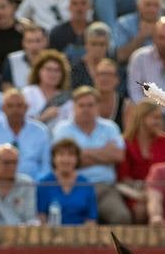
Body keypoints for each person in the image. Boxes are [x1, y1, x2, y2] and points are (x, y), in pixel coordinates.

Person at [50, 85, 129, 224]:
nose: (86, 109)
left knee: (122, 217)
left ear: (98, 106)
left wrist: (80, 153)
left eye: (90, 105)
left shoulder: (110, 127)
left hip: (104, 187)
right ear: (73, 107)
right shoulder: (62, 129)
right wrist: (103, 153)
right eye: (81, 105)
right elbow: (63, 163)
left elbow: (118, 156)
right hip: (73, 187)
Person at [0, 88, 51, 178]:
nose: (15, 110)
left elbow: (47, 166)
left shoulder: (41, 131)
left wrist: (35, 184)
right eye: (10, 106)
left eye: (19, 105)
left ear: (26, 107)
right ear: (2, 108)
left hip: (33, 186)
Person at [36, 137, 97, 224]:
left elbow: (91, 218)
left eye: (71, 155)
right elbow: (41, 216)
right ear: (54, 158)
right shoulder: (44, 183)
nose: (66, 159)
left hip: (81, 234)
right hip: (51, 234)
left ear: (77, 159)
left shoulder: (86, 184)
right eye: (61, 154)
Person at [0, 142, 36, 224]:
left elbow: (30, 217)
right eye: (7, 163)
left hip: (20, 233)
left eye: (14, 162)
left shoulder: (27, 183)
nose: (11, 167)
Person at [22, 48, 72, 124]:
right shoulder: (27, 93)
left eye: (57, 70)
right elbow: (21, 124)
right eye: (48, 69)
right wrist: (43, 118)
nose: (53, 74)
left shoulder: (68, 99)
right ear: (39, 71)